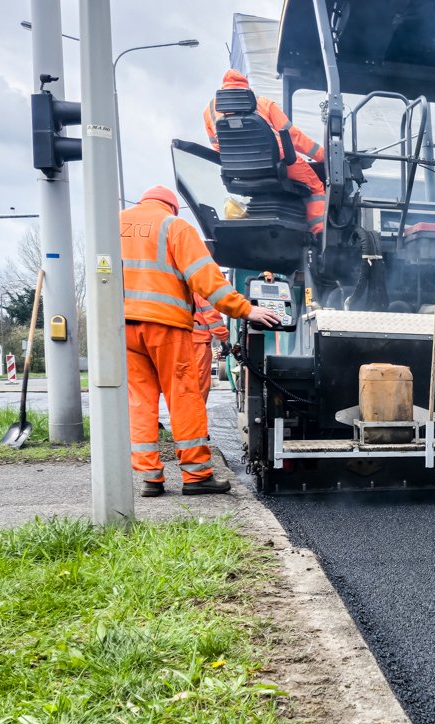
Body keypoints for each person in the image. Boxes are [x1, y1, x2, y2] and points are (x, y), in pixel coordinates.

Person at [122, 185, 280, 497]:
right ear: (172, 207)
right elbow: (207, 281)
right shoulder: (174, 227)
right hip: (167, 327)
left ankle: (150, 477)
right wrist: (247, 309)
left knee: (139, 401)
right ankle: (196, 475)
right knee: (184, 396)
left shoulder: (114, 224)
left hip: (123, 327)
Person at [203, 69, 327, 235]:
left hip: (239, 172)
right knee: (316, 187)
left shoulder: (209, 111)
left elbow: (218, 146)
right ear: (246, 87)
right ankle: (319, 234)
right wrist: (323, 156)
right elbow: (294, 136)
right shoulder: (263, 103)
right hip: (278, 164)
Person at [191, 292, 229, 401]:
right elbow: (212, 316)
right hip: (198, 342)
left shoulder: (173, 286)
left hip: (175, 341)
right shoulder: (199, 290)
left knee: (179, 381)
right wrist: (224, 339)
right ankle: (195, 415)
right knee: (198, 383)